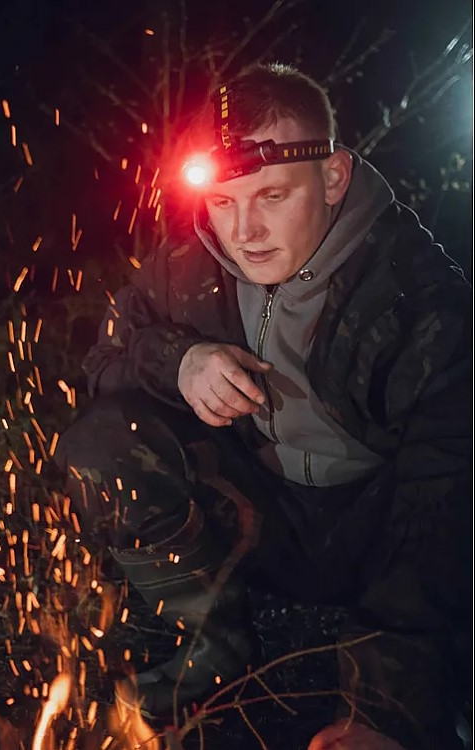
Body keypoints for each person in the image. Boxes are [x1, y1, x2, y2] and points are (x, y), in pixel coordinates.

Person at [56, 63, 472, 749]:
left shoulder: (417, 300)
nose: (244, 231)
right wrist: (180, 361)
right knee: (104, 438)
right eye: (222, 202)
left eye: (272, 196)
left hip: (377, 530)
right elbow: (105, 355)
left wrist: (383, 713)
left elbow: (443, 497)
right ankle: (211, 645)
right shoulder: (190, 266)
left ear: (333, 177)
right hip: (262, 521)